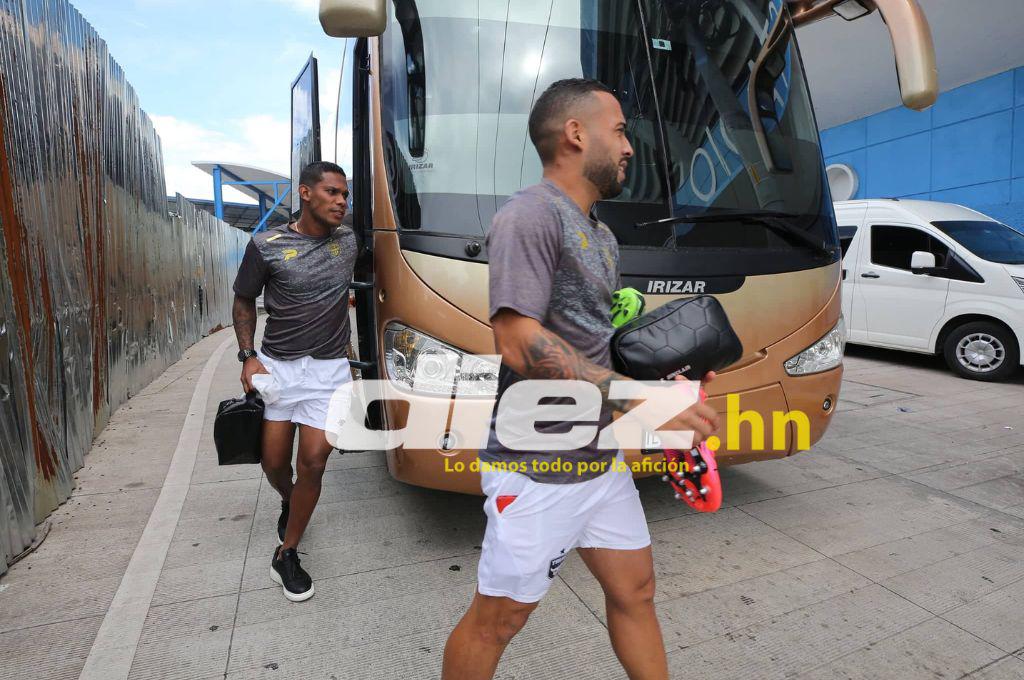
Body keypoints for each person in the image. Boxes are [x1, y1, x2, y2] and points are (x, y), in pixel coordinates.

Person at [441, 79, 720, 679]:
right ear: (575, 134)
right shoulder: (529, 215)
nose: (628, 147)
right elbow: (517, 339)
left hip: (598, 457)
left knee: (636, 590)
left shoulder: (599, 232)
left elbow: (591, 341)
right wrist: (638, 402)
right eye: (618, 130)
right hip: (537, 465)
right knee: (498, 622)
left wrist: (668, 383)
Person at [232, 160, 358, 602]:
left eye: (345, 194)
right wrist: (248, 357)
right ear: (305, 193)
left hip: (328, 374)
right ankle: (291, 499)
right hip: (278, 370)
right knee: (272, 463)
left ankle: (287, 553)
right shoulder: (266, 245)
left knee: (315, 462)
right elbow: (244, 299)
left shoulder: (350, 241)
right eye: (332, 193)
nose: (342, 201)